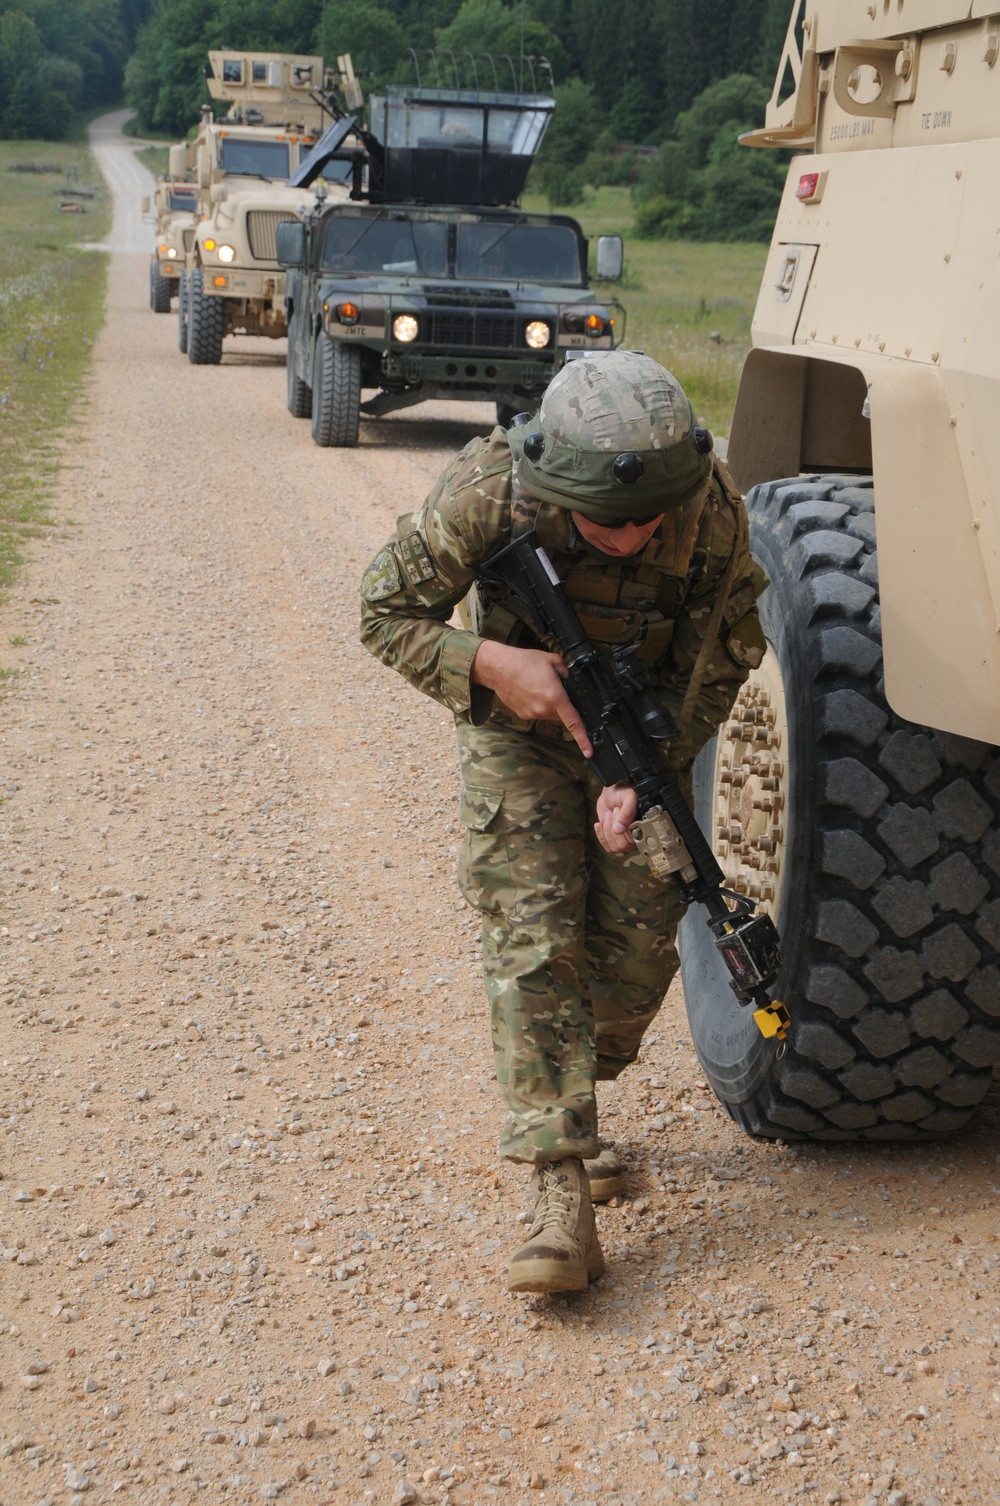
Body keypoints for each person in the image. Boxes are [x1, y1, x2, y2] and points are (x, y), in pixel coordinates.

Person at [359, 350, 766, 1295]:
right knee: (535, 935)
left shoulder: (713, 513)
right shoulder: (491, 490)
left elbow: (721, 652)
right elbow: (384, 611)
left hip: (633, 743)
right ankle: (557, 1190)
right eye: (602, 521)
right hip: (518, 731)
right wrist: (496, 667)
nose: (626, 539)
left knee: (633, 951)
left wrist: (647, 771)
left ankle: (578, 1104)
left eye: (644, 521)